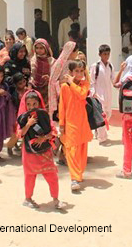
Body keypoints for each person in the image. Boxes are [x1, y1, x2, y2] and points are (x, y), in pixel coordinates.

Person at [18, 90, 66, 210]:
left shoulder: (45, 117)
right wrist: (28, 124)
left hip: (45, 153)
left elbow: (54, 133)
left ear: (39, 104)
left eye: (34, 104)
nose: (31, 107)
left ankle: (56, 199)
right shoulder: (23, 119)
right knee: (30, 177)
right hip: (30, 154)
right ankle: (28, 199)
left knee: (52, 176)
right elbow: (19, 134)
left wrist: (43, 138)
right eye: (28, 104)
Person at [59, 60, 92, 191]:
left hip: (83, 123)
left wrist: (72, 82)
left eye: (81, 71)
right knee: (71, 150)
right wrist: (61, 124)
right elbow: (62, 106)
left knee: (83, 150)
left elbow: (82, 94)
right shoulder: (64, 87)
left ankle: (79, 174)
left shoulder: (85, 85)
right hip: (70, 123)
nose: (79, 73)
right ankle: (74, 178)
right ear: (71, 72)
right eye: (76, 71)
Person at [89, 45, 114, 145]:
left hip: (108, 94)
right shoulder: (95, 66)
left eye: (108, 54)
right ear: (100, 54)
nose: (106, 56)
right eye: (104, 54)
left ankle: (98, 131)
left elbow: (113, 79)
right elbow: (91, 81)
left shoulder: (110, 66)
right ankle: (102, 138)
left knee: (108, 114)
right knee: (102, 115)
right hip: (98, 95)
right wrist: (93, 93)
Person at [6, 72, 29, 157]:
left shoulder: (28, 90)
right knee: (16, 134)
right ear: (16, 84)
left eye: (24, 81)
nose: (23, 84)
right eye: (20, 83)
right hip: (17, 116)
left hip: (26, 115)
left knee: (26, 132)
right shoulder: (14, 93)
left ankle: (24, 150)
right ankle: (9, 146)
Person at [29, 38, 54, 106]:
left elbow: (55, 75)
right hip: (35, 88)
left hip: (48, 89)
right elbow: (32, 75)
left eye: (41, 48)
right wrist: (30, 86)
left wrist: (49, 78)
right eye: (37, 48)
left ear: (46, 48)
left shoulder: (51, 61)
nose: (39, 50)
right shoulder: (33, 60)